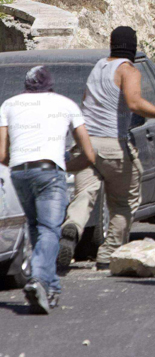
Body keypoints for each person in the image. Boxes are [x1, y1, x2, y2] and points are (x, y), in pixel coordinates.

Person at [58, 27, 155, 272]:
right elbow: (134, 103)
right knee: (124, 202)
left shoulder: (98, 67)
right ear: (132, 47)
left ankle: (72, 227)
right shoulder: (128, 70)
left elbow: (86, 101)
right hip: (113, 145)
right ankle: (107, 254)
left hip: (85, 144)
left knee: (84, 194)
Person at [0, 67, 96, 314]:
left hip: (19, 172)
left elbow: (1, 154)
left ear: (26, 85)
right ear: (51, 85)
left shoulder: (8, 105)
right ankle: (39, 279)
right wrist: (65, 166)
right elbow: (89, 154)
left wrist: (19, 162)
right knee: (50, 229)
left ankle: (50, 288)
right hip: (49, 172)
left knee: (35, 227)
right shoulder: (66, 104)